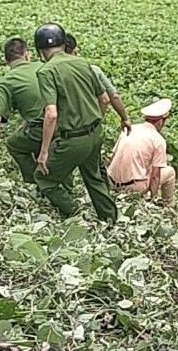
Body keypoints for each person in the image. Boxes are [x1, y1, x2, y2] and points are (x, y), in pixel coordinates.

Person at [33, 23, 117, 223]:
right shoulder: (83, 64)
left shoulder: (46, 71)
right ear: (64, 44)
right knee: (94, 178)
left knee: (44, 179)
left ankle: (74, 214)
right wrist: (93, 121)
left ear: (40, 51)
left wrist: (44, 151)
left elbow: (51, 113)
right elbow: (104, 98)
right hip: (95, 134)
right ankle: (110, 220)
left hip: (73, 139)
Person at [0, 38, 45, 183]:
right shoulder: (45, 67)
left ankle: (35, 182)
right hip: (69, 121)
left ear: (6, 60)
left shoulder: (6, 82)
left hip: (42, 129)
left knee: (14, 144)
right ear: (27, 54)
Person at [106, 98, 177, 207]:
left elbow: (111, 157)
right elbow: (155, 176)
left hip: (111, 182)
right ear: (160, 122)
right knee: (170, 172)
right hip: (133, 188)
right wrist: (152, 201)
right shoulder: (158, 140)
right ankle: (169, 206)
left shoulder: (130, 129)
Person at [64, 33, 132, 135]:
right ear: (75, 51)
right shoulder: (93, 70)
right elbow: (113, 97)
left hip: (67, 128)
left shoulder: (50, 73)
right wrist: (124, 118)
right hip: (91, 127)